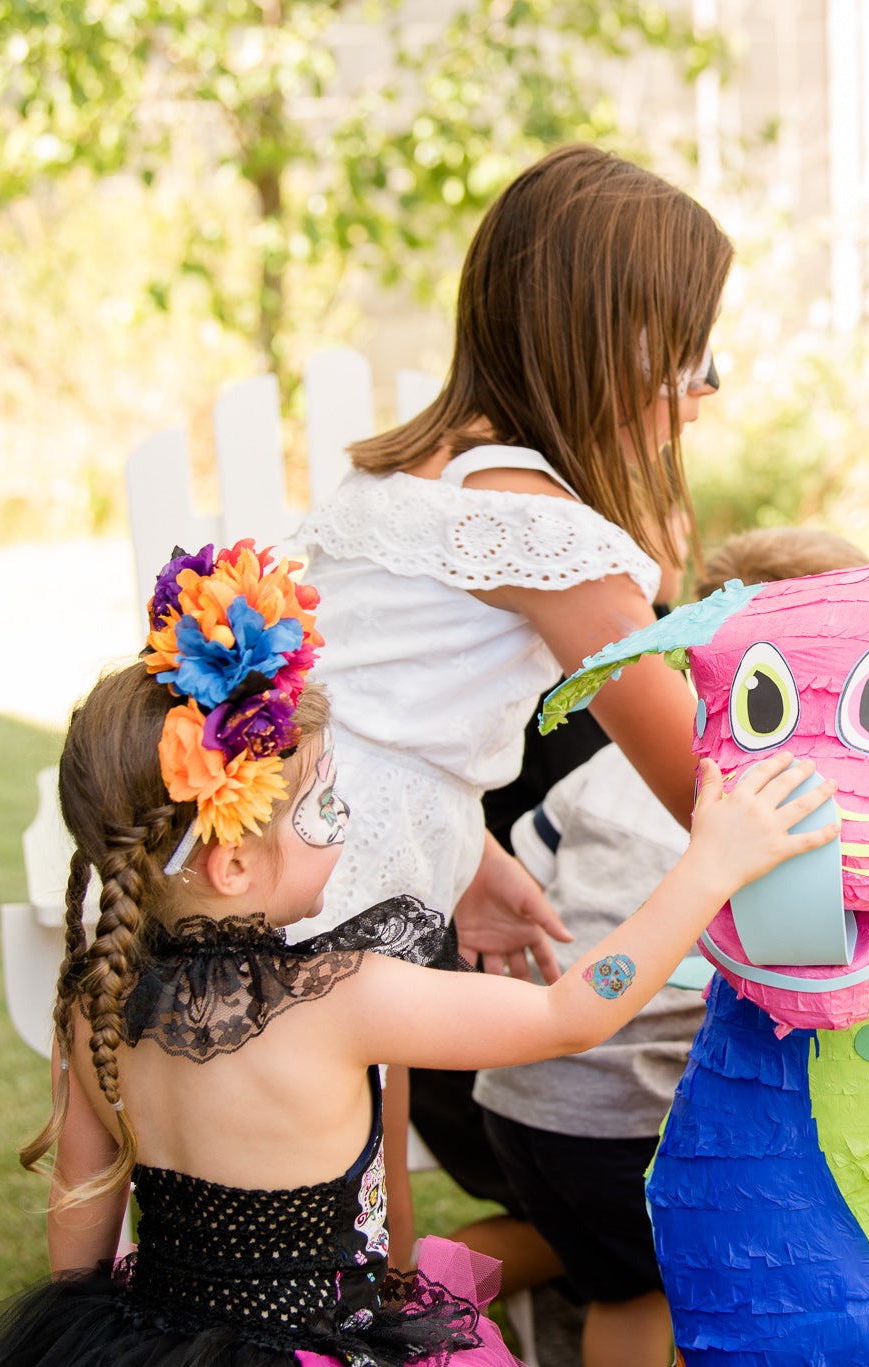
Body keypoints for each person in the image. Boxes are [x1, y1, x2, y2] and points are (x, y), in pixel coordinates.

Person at [0, 542, 836, 1367]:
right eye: (326, 809)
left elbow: (81, 1221)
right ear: (230, 862)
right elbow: (577, 1011)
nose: (346, 826)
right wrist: (710, 861)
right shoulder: (341, 998)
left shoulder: (96, 1001)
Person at [295, 144, 728, 1269]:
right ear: (616, 345)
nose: (707, 389)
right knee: (343, 1233)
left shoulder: (399, 475)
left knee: (300, 1219)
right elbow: (700, 783)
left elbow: (367, 701)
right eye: (695, 351)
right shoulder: (554, 537)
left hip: (284, 848)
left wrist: (474, 849)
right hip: (351, 895)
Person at [476, 526, 869, 1367]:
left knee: (627, 1290)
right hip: (635, 1110)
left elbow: (530, 872)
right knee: (724, 1288)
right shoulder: (782, 797)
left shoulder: (615, 759)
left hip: (519, 1099)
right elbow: (816, 955)